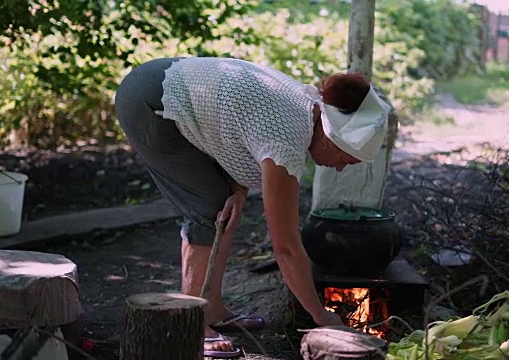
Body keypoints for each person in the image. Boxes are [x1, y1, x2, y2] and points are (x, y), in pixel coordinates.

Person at [114, 56, 391, 358]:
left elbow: (241, 128)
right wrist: (322, 317)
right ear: (331, 137)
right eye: (345, 160)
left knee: (223, 206)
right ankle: (191, 321)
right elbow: (286, 247)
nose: (339, 169)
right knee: (206, 211)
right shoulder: (287, 142)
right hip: (150, 101)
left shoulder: (307, 107)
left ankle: (213, 310)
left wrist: (238, 191)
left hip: (163, 81)